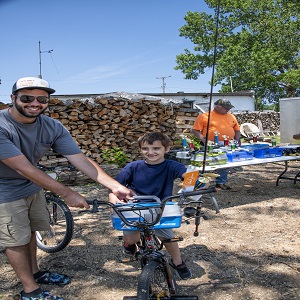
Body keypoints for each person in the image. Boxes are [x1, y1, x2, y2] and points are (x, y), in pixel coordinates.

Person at [0, 77, 133, 300]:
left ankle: (36, 273)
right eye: (27, 98)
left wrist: (115, 186)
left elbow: (79, 159)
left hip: (31, 187)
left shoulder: (52, 126)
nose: (35, 103)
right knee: (16, 239)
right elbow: (24, 168)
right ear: (12, 99)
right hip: (4, 190)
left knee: (31, 231)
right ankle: (30, 290)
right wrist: (68, 193)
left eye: (42, 99)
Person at [108, 132, 192, 280]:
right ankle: (128, 245)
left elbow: (188, 176)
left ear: (166, 149)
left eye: (156, 148)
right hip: (135, 208)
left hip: (160, 209)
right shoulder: (133, 167)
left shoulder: (172, 166)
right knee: (131, 238)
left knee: (168, 237)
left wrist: (198, 182)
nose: (151, 152)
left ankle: (178, 262)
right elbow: (115, 187)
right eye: (145, 148)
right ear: (140, 149)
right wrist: (113, 199)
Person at [191, 99, 241, 190]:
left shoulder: (231, 116)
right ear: (217, 107)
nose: (228, 109)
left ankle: (220, 182)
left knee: (225, 163)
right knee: (207, 164)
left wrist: (237, 140)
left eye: (229, 108)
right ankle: (201, 184)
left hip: (229, 143)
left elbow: (237, 130)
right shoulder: (205, 116)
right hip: (211, 144)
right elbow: (195, 130)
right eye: (226, 108)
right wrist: (203, 139)